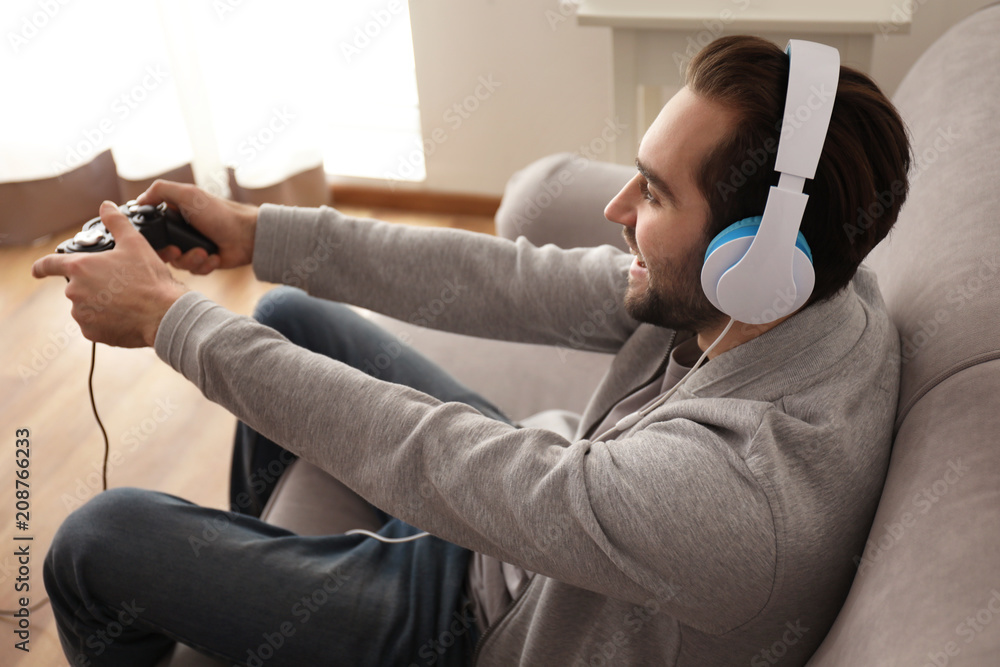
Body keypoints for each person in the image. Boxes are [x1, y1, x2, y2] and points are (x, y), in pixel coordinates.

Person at [36, 35, 910, 666]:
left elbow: (432, 455)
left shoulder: (734, 497)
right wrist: (261, 232)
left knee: (96, 539)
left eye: (653, 194)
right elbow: (516, 279)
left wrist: (171, 322)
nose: (616, 211)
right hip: (551, 518)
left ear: (753, 257)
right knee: (294, 311)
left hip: (472, 621)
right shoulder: (804, 287)